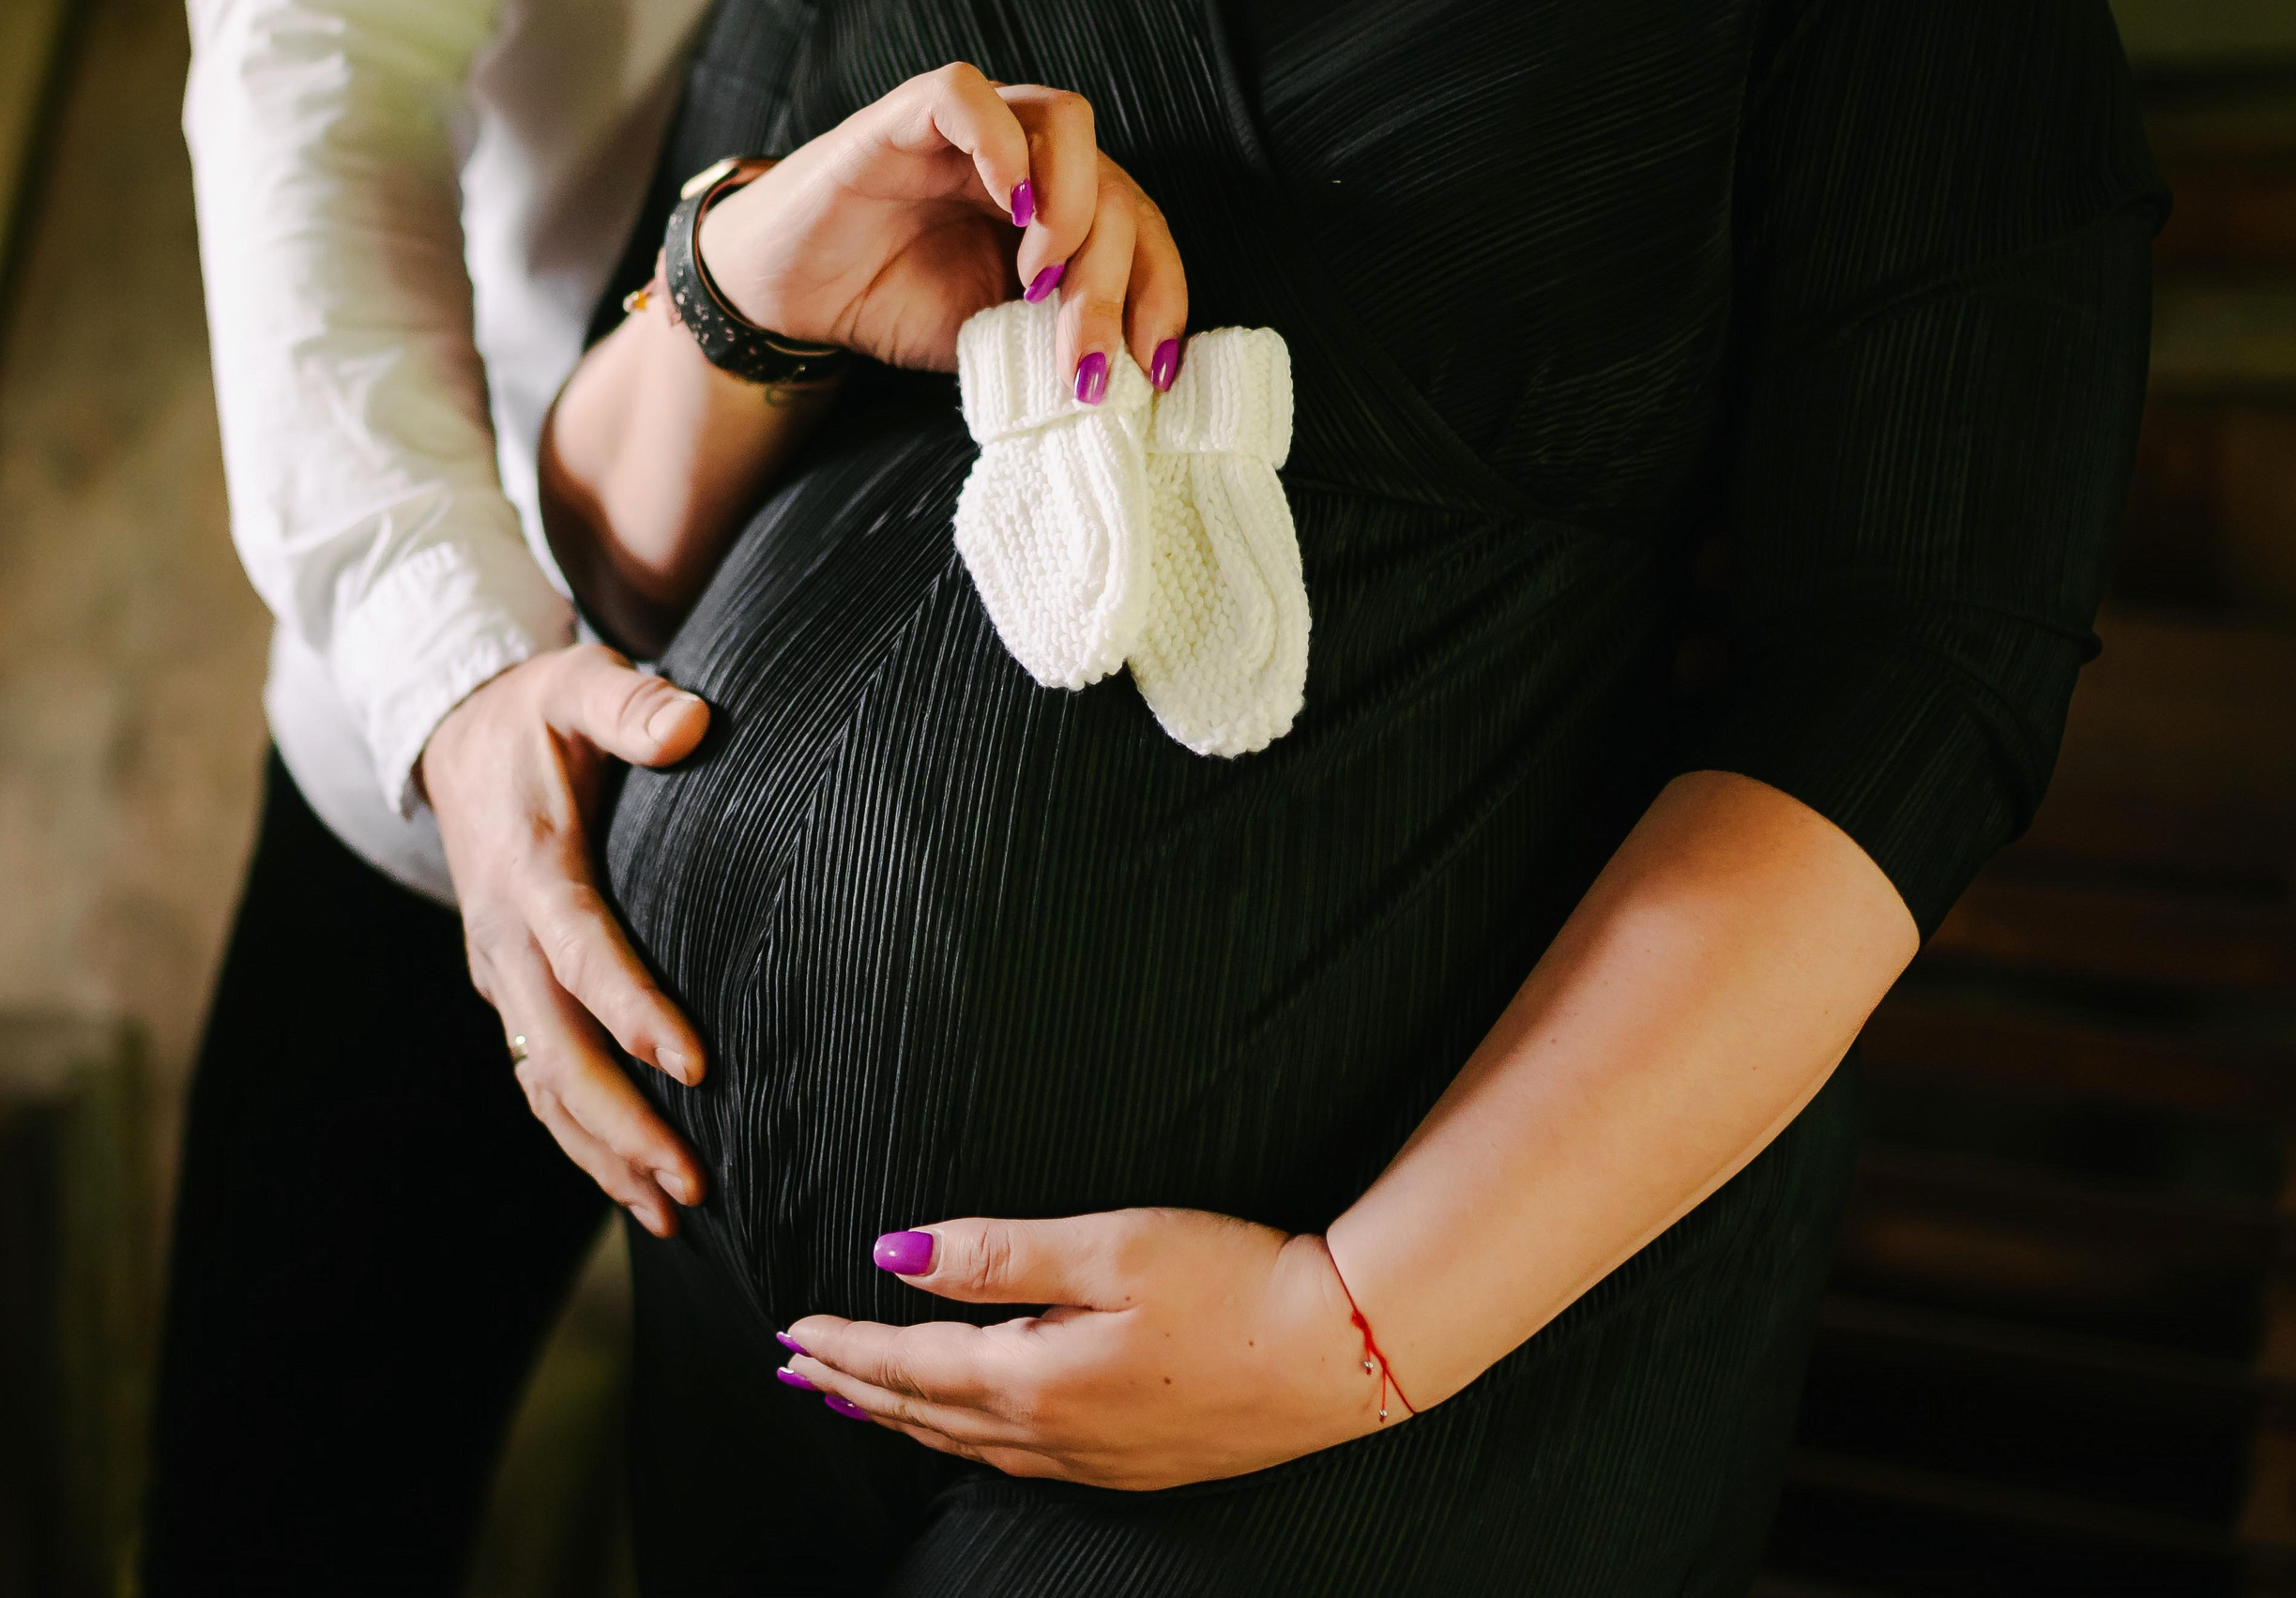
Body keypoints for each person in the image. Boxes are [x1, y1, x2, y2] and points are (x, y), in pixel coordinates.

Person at [533, 0, 2167, 1592]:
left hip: (1402, 1311)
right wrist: (739, 293)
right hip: (728, 1285)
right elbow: (620, 558)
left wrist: (1355, 1323)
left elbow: (1910, 684)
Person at [148, 0, 728, 1587]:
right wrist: (457, 679)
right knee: (283, 1521)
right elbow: (314, 81)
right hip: (465, 722)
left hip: (963, 857)